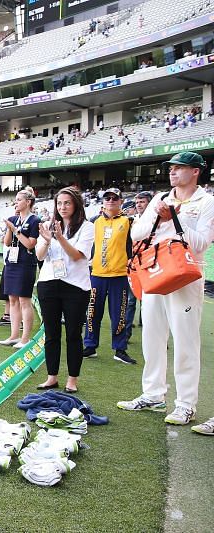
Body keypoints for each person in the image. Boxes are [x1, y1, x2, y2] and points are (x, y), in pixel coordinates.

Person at [118, 152, 214, 426]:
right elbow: (137, 233)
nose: (172, 172)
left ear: (195, 171)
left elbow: (201, 243)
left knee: (185, 340)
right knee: (152, 335)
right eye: (171, 168)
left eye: (179, 167)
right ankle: (153, 394)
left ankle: (185, 404)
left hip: (185, 274)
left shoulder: (207, 202)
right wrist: (161, 217)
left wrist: (173, 219)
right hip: (154, 271)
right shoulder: (161, 198)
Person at [34, 187, 95, 393]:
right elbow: (40, 256)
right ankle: (52, 376)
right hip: (48, 283)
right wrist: (48, 239)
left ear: (76, 204)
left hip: (76, 287)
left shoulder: (87, 227)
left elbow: (78, 255)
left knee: (73, 334)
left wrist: (60, 238)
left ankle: (72, 379)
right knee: (51, 333)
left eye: (67, 203)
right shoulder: (49, 226)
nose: (63, 207)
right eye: (59, 203)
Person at [82, 187, 136, 364]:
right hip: (96, 275)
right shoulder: (94, 221)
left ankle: (120, 349)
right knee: (92, 313)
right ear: (103, 202)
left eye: (115, 198)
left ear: (121, 201)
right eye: (107, 198)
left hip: (119, 276)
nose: (111, 201)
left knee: (119, 315)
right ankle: (90, 346)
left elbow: (134, 245)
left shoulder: (129, 221)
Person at [0, 189, 39, 348]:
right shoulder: (13, 219)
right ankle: (14, 335)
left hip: (25, 262)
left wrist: (16, 230)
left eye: (19, 200)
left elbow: (30, 244)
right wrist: (10, 228)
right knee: (12, 299)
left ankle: (25, 338)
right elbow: (7, 243)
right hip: (12, 262)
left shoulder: (35, 220)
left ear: (28, 202)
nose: (16, 203)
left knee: (24, 300)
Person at [124, 191, 152, 342]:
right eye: (137, 202)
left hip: (151, 266)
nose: (139, 205)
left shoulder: (157, 220)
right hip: (134, 266)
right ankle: (126, 334)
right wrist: (129, 258)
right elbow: (127, 242)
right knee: (130, 301)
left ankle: (155, 337)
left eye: (142, 202)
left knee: (152, 303)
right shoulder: (131, 221)